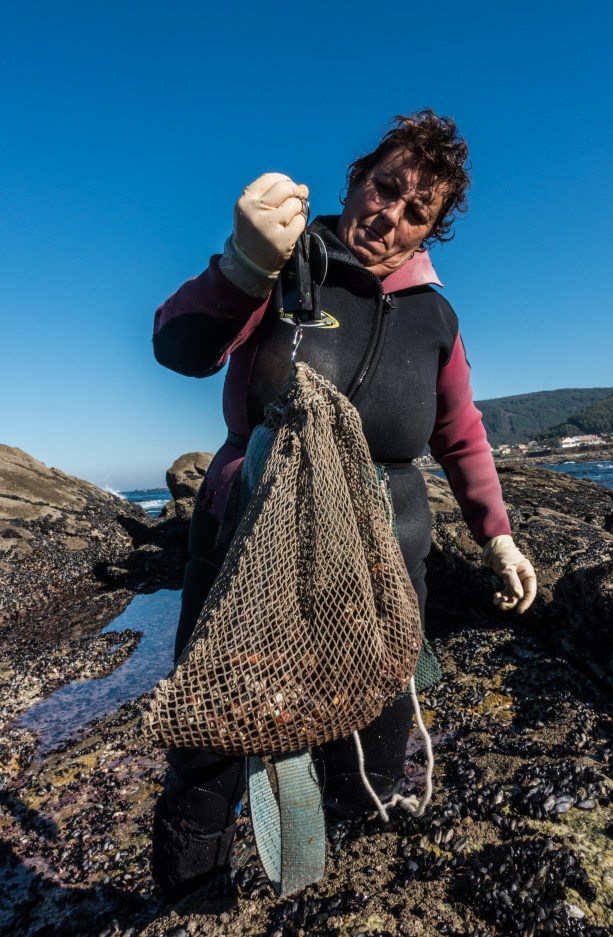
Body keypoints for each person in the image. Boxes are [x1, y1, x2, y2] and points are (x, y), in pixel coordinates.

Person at [151, 109, 537, 901]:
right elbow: (178, 345)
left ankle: (347, 863)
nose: (388, 213)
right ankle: (192, 893)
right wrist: (239, 266)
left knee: (374, 722)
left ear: (429, 229)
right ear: (356, 180)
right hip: (246, 545)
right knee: (215, 734)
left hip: (384, 564)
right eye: (383, 187)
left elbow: (459, 432)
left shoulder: (435, 315)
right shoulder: (286, 259)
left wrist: (496, 535)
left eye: (414, 209)